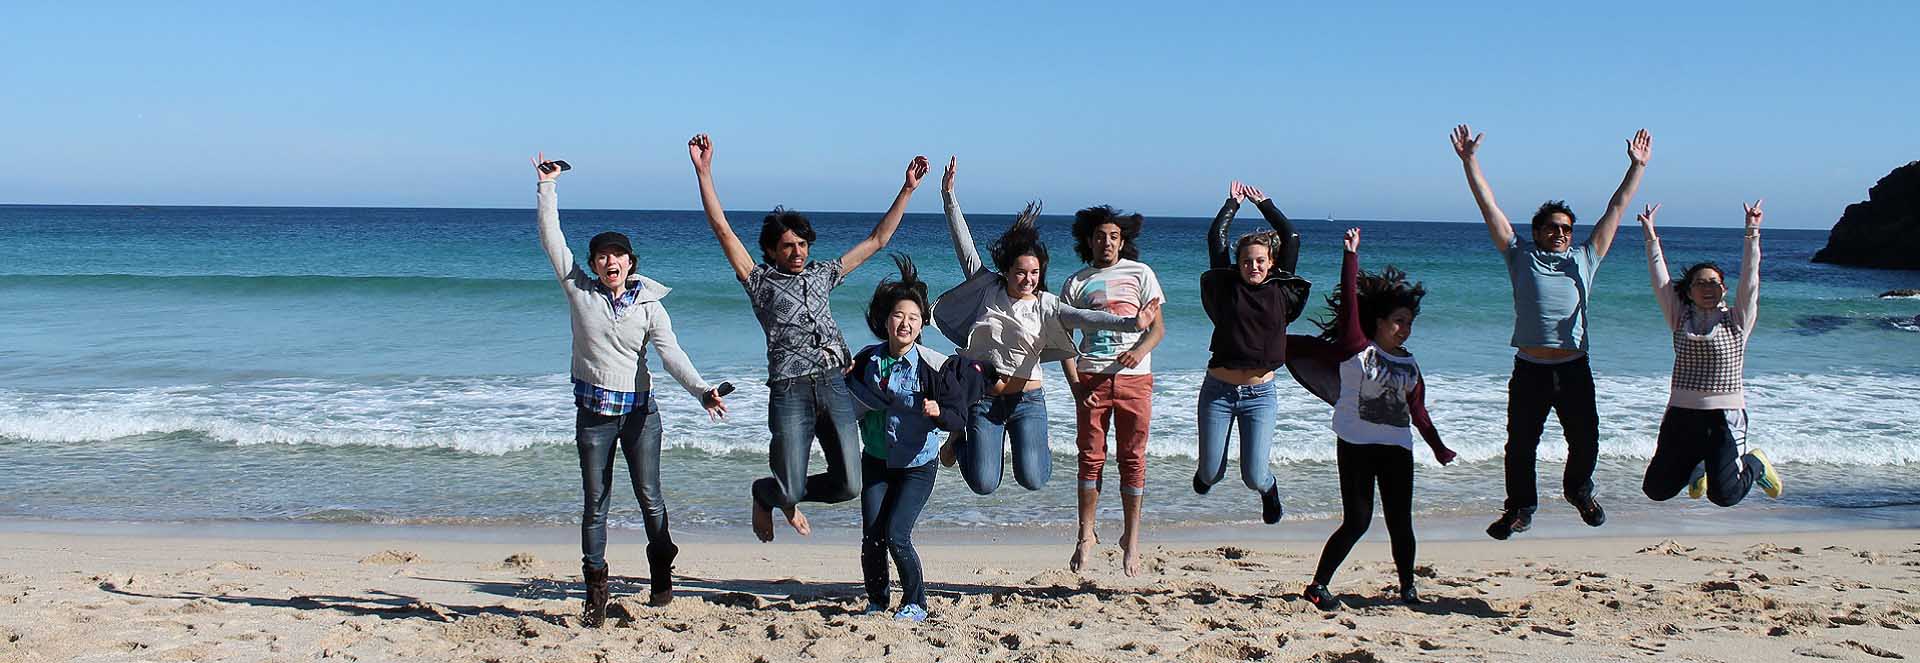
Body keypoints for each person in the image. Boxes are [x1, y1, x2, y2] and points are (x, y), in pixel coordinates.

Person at [687, 133, 931, 542]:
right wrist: (704, 172)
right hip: (790, 390)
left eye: (802, 244)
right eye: (788, 246)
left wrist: (907, 189)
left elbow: (877, 240)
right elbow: (722, 230)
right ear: (771, 250)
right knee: (788, 488)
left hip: (834, 384)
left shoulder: (823, 274)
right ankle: (767, 494)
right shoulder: (759, 281)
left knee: (848, 485)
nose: (798, 252)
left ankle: (784, 496)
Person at [533, 154, 729, 626]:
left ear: (630, 262)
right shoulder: (580, 291)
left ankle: (661, 567)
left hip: (641, 414)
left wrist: (702, 391)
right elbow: (552, 238)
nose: (610, 261)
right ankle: (595, 590)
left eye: (617, 255)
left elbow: (671, 354)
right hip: (594, 415)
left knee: (650, 497)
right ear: (594, 264)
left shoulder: (650, 305)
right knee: (595, 504)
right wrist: (547, 187)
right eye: (602, 256)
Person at [1450, 124, 1652, 540]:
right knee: (1520, 446)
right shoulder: (1519, 255)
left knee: (1586, 440)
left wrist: (1637, 167)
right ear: (1537, 231)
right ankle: (1520, 509)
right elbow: (1489, 207)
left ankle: (1579, 491)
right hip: (1530, 370)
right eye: (1552, 228)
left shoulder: (1586, 258)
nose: (1560, 233)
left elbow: (1616, 208)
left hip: (1574, 368)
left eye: (1566, 229)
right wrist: (1470, 162)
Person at [931, 156, 1162, 498]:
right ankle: (958, 440)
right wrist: (949, 196)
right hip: (984, 399)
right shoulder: (986, 287)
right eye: (1021, 272)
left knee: (1034, 479)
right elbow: (962, 244)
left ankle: (1035, 445)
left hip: (1027, 400)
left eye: (1035, 273)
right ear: (1007, 270)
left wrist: (1131, 323)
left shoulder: (1046, 305)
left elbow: (1085, 317)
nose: (1028, 279)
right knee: (983, 484)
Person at [1285, 229, 1457, 610]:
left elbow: (1418, 411)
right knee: (1357, 521)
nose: (1404, 329)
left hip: (1397, 450)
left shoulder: (1409, 363)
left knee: (1401, 522)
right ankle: (1318, 585)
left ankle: (1408, 588)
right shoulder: (1356, 348)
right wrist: (1350, 256)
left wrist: (1438, 447)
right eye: (1398, 321)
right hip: (1356, 448)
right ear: (1379, 321)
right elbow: (1349, 301)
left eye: (1409, 323)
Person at [1636, 201, 1782, 506]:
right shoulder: (1680, 317)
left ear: (1724, 289)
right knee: (1656, 490)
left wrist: (1752, 231)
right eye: (1700, 283)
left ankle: (1755, 462)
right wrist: (1650, 236)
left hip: (1724, 417)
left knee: (1725, 496)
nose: (1707, 288)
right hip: (1681, 414)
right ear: (1689, 292)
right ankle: (1698, 468)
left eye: (1714, 282)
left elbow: (1751, 279)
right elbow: (1660, 282)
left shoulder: (1738, 319)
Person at [1193, 181, 1312, 527]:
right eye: (1247, 261)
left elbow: (1291, 237)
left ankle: (1270, 490)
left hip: (1260, 396)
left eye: (1260, 261)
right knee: (1210, 474)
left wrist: (1265, 204)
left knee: (1254, 476)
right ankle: (1206, 475)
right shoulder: (1225, 285)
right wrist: (1231, 204)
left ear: (1271, 263)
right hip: (1218, 391)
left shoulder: (1282, 291)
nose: (1253, 266)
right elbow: (1216, 238)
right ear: (1239, 264)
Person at [1059, 204, 1166, 576]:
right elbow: (1063, 342)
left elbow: (1157, 329)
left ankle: (1131, 539)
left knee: (1133, 458)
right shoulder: (1076, 282)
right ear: (1089, 241)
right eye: (1101, 236)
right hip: (1091, 377)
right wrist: (1075, 386)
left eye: (1114, 237)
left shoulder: (1141, 273)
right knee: (1090, 458)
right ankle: (1085, 534)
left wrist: (1139, 351)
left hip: (1135, 380)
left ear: (1122, 242)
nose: (1107, 242)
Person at [845, 255, 946, 622]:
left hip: (917, 465)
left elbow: (960, 403)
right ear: (885, 320)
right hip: (875, 459)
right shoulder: (865, 361)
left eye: (914, 318)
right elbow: (843, 403)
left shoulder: (933, 365)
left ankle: (916, 602)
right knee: (872, 534)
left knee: (896, 534)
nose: (905, 323)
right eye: (899, 315)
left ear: (922, 325)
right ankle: (877, 600)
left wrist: (946, 422)